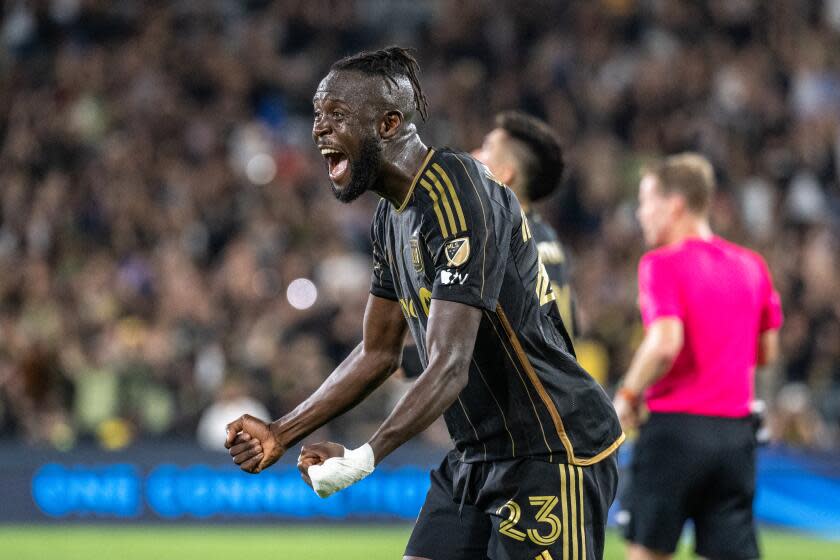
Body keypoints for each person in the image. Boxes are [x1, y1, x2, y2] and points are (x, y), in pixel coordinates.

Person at [224, 46, 624, 560]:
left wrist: (362, 458)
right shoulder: (391, 217)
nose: (319, 129)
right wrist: (282, 431)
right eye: (318, 116)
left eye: (337, 115)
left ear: (390, 123)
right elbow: (377, 352)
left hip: (551, 450)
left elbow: (450, 364)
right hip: (476, 456)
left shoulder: (461, 192)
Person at [613, 153, 783, 560]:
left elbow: (665, 342)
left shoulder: (661, 264)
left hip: (675, 432)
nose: (641, 214)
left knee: (649, 552)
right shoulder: (751, 265)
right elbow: (767, 351)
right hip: (735, 437)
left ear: (675, 205)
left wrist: (628, 395)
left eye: (646, 201)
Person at [473, 111, 577, 338]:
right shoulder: (547, 236)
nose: (474, 154)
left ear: (504, 173)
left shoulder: (500, 242)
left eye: (486, 147)